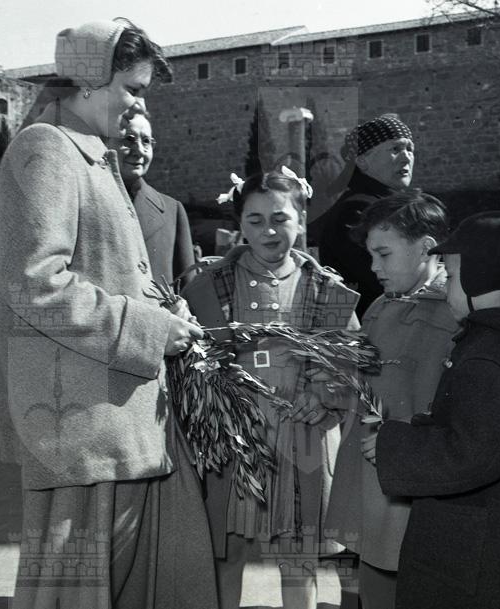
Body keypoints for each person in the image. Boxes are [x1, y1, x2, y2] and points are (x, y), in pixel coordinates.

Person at [0, 19, 217, 609]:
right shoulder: (47, 148)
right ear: (89, 81)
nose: (139, 104)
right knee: (73, 592)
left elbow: (105, 276)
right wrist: (149, 329)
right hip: (80, 425)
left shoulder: (92, 157)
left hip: (116, 418)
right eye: (133, 89)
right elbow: (34, 283)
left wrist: (164, 309)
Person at [365, 212, 500, 608]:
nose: (446, 288)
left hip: (480, 553)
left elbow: (472, 453)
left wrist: (393, 444)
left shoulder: (487, 356)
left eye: (452, 276)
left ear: (477, 278)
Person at [182, 167, 360, 609]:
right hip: (234, 441)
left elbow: (353, 362)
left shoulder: (327, 290)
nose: (269, 231)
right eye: (256, 220)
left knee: (298, 558)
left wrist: (325, 397)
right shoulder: (209, 287)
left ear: (301, 219)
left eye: (280, 219)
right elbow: (191, 363)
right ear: (240, 224)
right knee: (228, 550)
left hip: (303, 438)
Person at [325, 191, 459, 609]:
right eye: (370, 255)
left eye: (383, 254)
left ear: (426, 248)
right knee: (373, 584)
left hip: (414, 490)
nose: (373, 267)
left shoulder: (453, 312)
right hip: (374, 487)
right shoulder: (381, 307)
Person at [318, 115, 415, 318]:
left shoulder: (387, 205)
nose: (407, 158)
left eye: (410, 149)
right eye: (395, 149)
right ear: (362, 161)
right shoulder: (357, 211)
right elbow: (387, 281)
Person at [109, 110, 196, 289]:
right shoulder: (85, 201)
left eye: (146, 141)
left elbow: (189, 291)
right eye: (129, 139)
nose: (139, 151)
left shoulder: (172, 210)